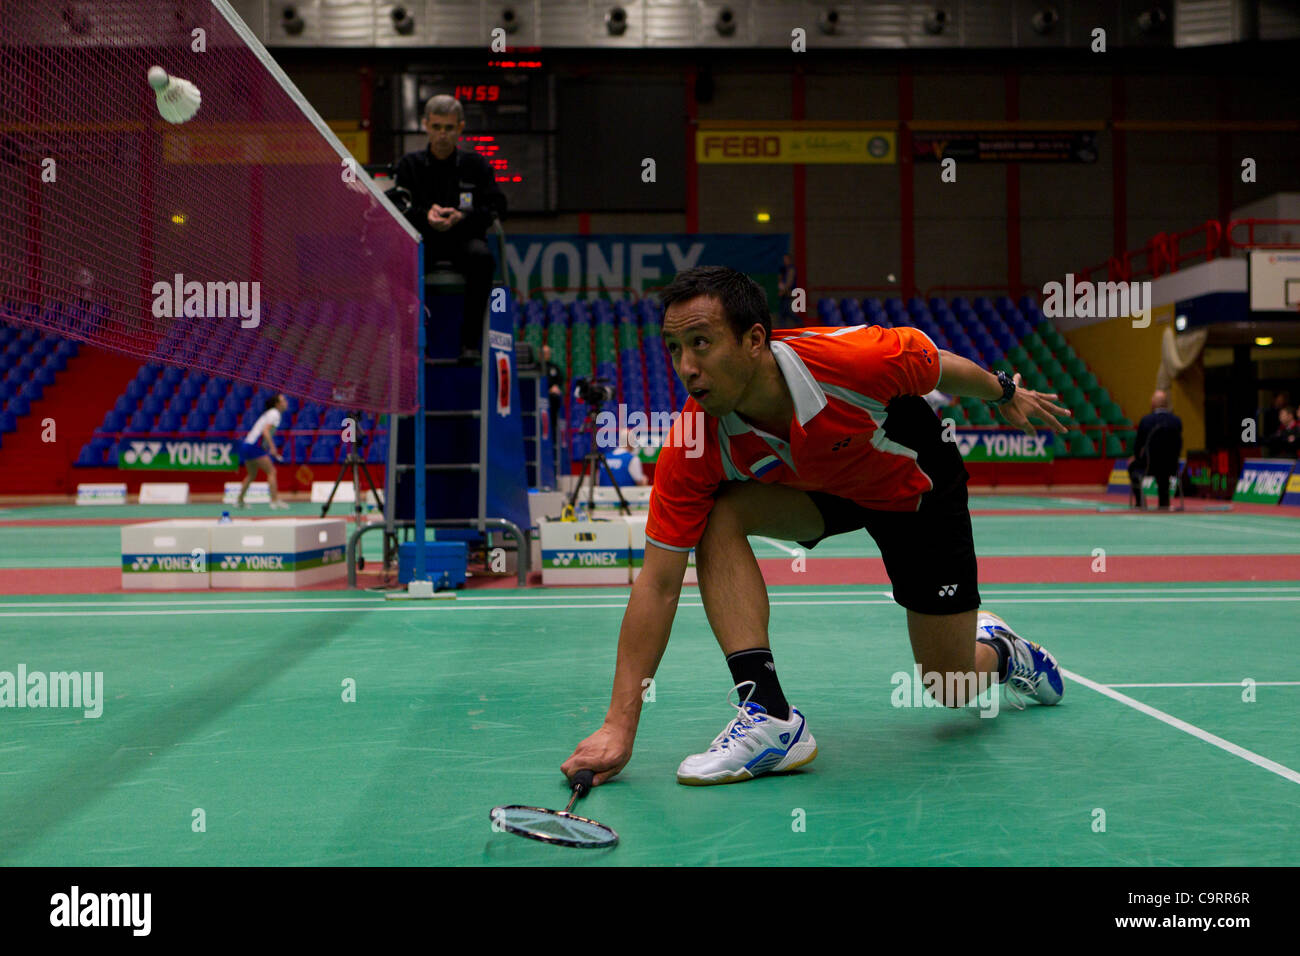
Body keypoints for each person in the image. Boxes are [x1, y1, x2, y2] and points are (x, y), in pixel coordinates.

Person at [562, 266, 1071, 789]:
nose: (687, 367)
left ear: (754, 339)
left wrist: (1004, 391)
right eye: (674, 349)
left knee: (949, 684)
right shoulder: (694, 443)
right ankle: (770, 715)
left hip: (914, 490)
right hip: (824, 491)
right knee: (718, 512)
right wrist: (617, 728)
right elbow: (658, 583)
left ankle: (1008, 652)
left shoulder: (855, 360)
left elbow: (938, 367)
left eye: (701, 343)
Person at [394, 94, 507, 364]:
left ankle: (470, 344)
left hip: (463, 240)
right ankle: (415, 344)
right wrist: (426, 216)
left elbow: (497, 206)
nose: (442, 134)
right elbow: (399, 207)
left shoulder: (476, 166)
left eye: (448, 128)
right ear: (425, 126)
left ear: (460, 128)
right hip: (424, 240)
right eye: (436, 127)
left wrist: (463, 217)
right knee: (399, 260)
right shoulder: (408, 166)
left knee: (483, 259)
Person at [1129, 389, 1183, 510]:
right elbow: (1179, 445)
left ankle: (1140, 502)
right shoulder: (1176, 421)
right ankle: (1164, 502)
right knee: (1163, 471)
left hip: (1149, 466)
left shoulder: (1146, 421)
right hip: (1171, 466)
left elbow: (1138, 446)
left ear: (1153, 403)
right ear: (1166, 404)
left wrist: (1137, 458)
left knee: (1132, 466)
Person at [236, 393, 290, 510]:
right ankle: (274, 501)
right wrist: (273, 447)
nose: (286, 402)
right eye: (283, 400)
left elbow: (262, 432)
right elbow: (265, 431)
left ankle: (239, 501)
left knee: (251, 474)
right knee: (272, 471)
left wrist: (265, 447)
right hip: (254, 446)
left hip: (247, 445)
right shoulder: (274, 413)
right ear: (277, 404)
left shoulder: (270, 413)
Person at [542, 343, 565, 473]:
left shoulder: (554, 367)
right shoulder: (537, 367)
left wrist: (555, 388)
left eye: (548, 352)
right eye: (544, 352)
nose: (546, 355)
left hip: (552, 404)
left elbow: (559, 382)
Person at [776, 253, 798, 329]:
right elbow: (781, 280)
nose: (784, 261)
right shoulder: (784, 270)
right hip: (785, 294)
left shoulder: (791, 269)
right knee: (783, 313)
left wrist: (783, 291)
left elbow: (789, 282)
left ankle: (800, 323)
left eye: (786, 259)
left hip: (788, 293)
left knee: (786, 312)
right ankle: (783, 328)